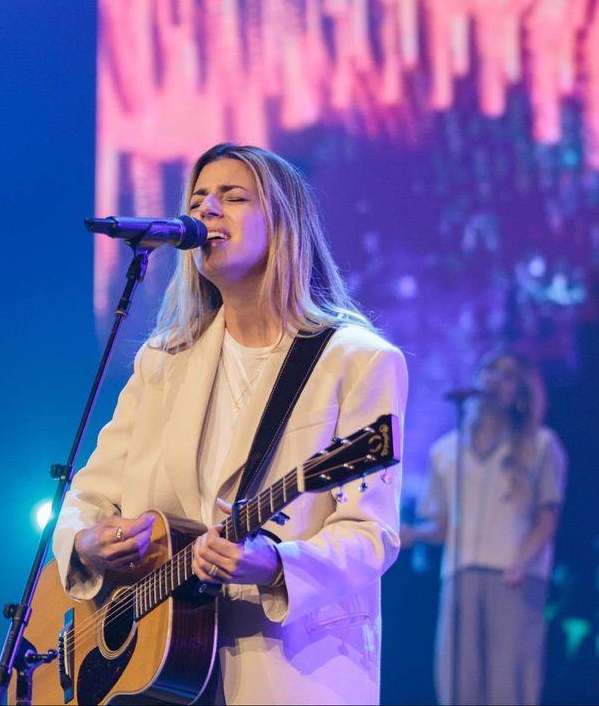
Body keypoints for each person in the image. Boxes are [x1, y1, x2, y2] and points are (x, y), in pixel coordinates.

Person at [53, 143, 408, 705]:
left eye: (232, 197)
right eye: (197, 199)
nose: (206, 211)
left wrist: (273, 564)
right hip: (162, 671)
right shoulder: (164, 361)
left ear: (284, 224)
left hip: (293, 668)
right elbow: (88, 496)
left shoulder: (357, 360)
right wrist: (87, 545)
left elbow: (371, 535)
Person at [402, 350, 567, 705]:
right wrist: (414, 534)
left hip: (514, 577)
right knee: (459, 680)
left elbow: (547, 515)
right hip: (460, 575)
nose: (495, 380)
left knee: (508, 683)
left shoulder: (540, 445)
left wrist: (522, 562)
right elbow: (445, 526)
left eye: (508, 375)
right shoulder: (445, 451)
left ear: (521, 393)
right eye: (490, 370)